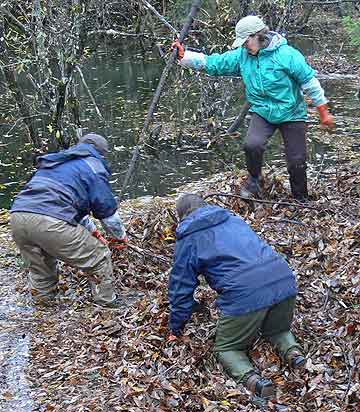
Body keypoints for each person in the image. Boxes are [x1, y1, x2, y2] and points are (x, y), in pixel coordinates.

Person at [172, 15, 335, 200]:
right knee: (252, 145)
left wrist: (324, 113)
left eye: (246, 41)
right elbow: (214, 63)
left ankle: (301, 199)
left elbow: (310, 83)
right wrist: (185, 56)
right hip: (262, 110)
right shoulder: (243, 56)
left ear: (259, 36)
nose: (244, 46)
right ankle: (255, 180)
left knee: (297, 161)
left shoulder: (288, 55)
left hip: (292, 112)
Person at [168, 194, 305, 399]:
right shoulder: (232, 219)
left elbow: (180, 288)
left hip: (245, 293)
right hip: (283, 278)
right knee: (277, 329)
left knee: (227, 347)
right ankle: (295, 355)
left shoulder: (189, 238)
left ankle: (256, 383)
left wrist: (176, 326)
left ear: (181, 217)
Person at [10, 133, 128, 308]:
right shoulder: (94, 165)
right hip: (50, 221)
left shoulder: (58, 161)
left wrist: (93, 231)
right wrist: (119, 237)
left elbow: (69, 203)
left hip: (18, 217)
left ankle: (43, 307)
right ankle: (106, 303)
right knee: (98, 256)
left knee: (41, 268)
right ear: (101, 153)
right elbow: (106, 211)